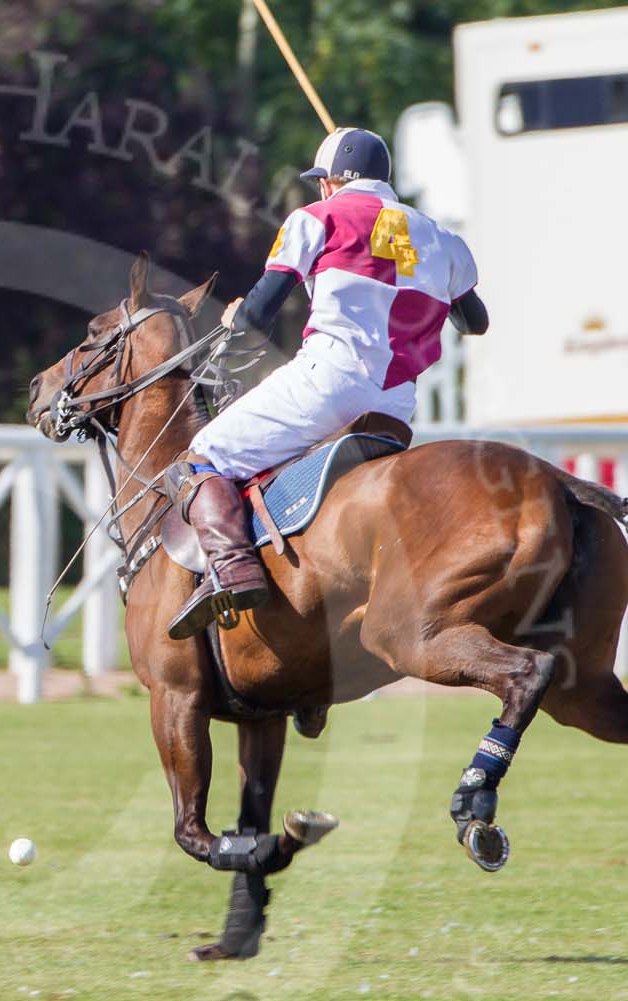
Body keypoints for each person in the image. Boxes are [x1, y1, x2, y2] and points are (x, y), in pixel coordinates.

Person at [165, 126, 491, 641]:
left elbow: (259, 315)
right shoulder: (442, 239)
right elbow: (475, 323)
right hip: (396, 404)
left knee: (201, 457)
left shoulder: (315, 218)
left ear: (330, 183)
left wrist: (235, 318)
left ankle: (234, 571)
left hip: (328, 383)